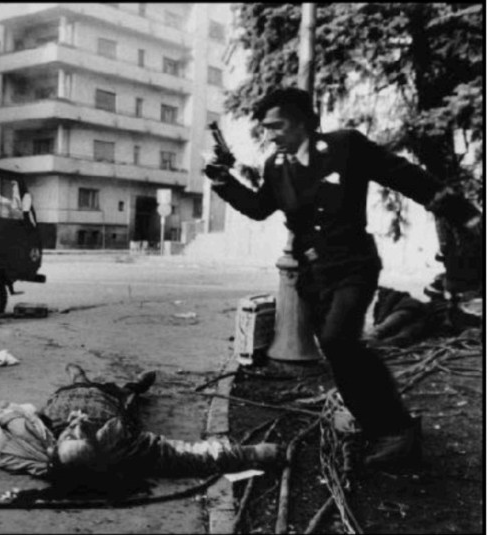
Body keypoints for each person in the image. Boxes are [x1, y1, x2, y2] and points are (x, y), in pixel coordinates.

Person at [203, 87, 481, 468]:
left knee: (339, 340)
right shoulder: (276, 166)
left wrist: (467, 216)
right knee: (338, 352)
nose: (270, 135)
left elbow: (407, 177)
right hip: (313, 276)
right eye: (266, 128)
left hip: (354, 266)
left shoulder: (345, 146)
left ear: (303, 121)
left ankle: (399, 430)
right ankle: (378, 425)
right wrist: (223, 182)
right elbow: (258, 208)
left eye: (277, 126)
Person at [0, 364, 282, 485]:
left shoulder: (41, 447)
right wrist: (256, 452)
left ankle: (80, 376)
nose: (78, 427)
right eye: (82, 433)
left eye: (72, 434)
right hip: (111, 403)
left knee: (79, 380)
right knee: (129, 394)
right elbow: (196, 455)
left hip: (67, 397)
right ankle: (137, 384)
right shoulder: (123, 444)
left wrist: (8, 418)